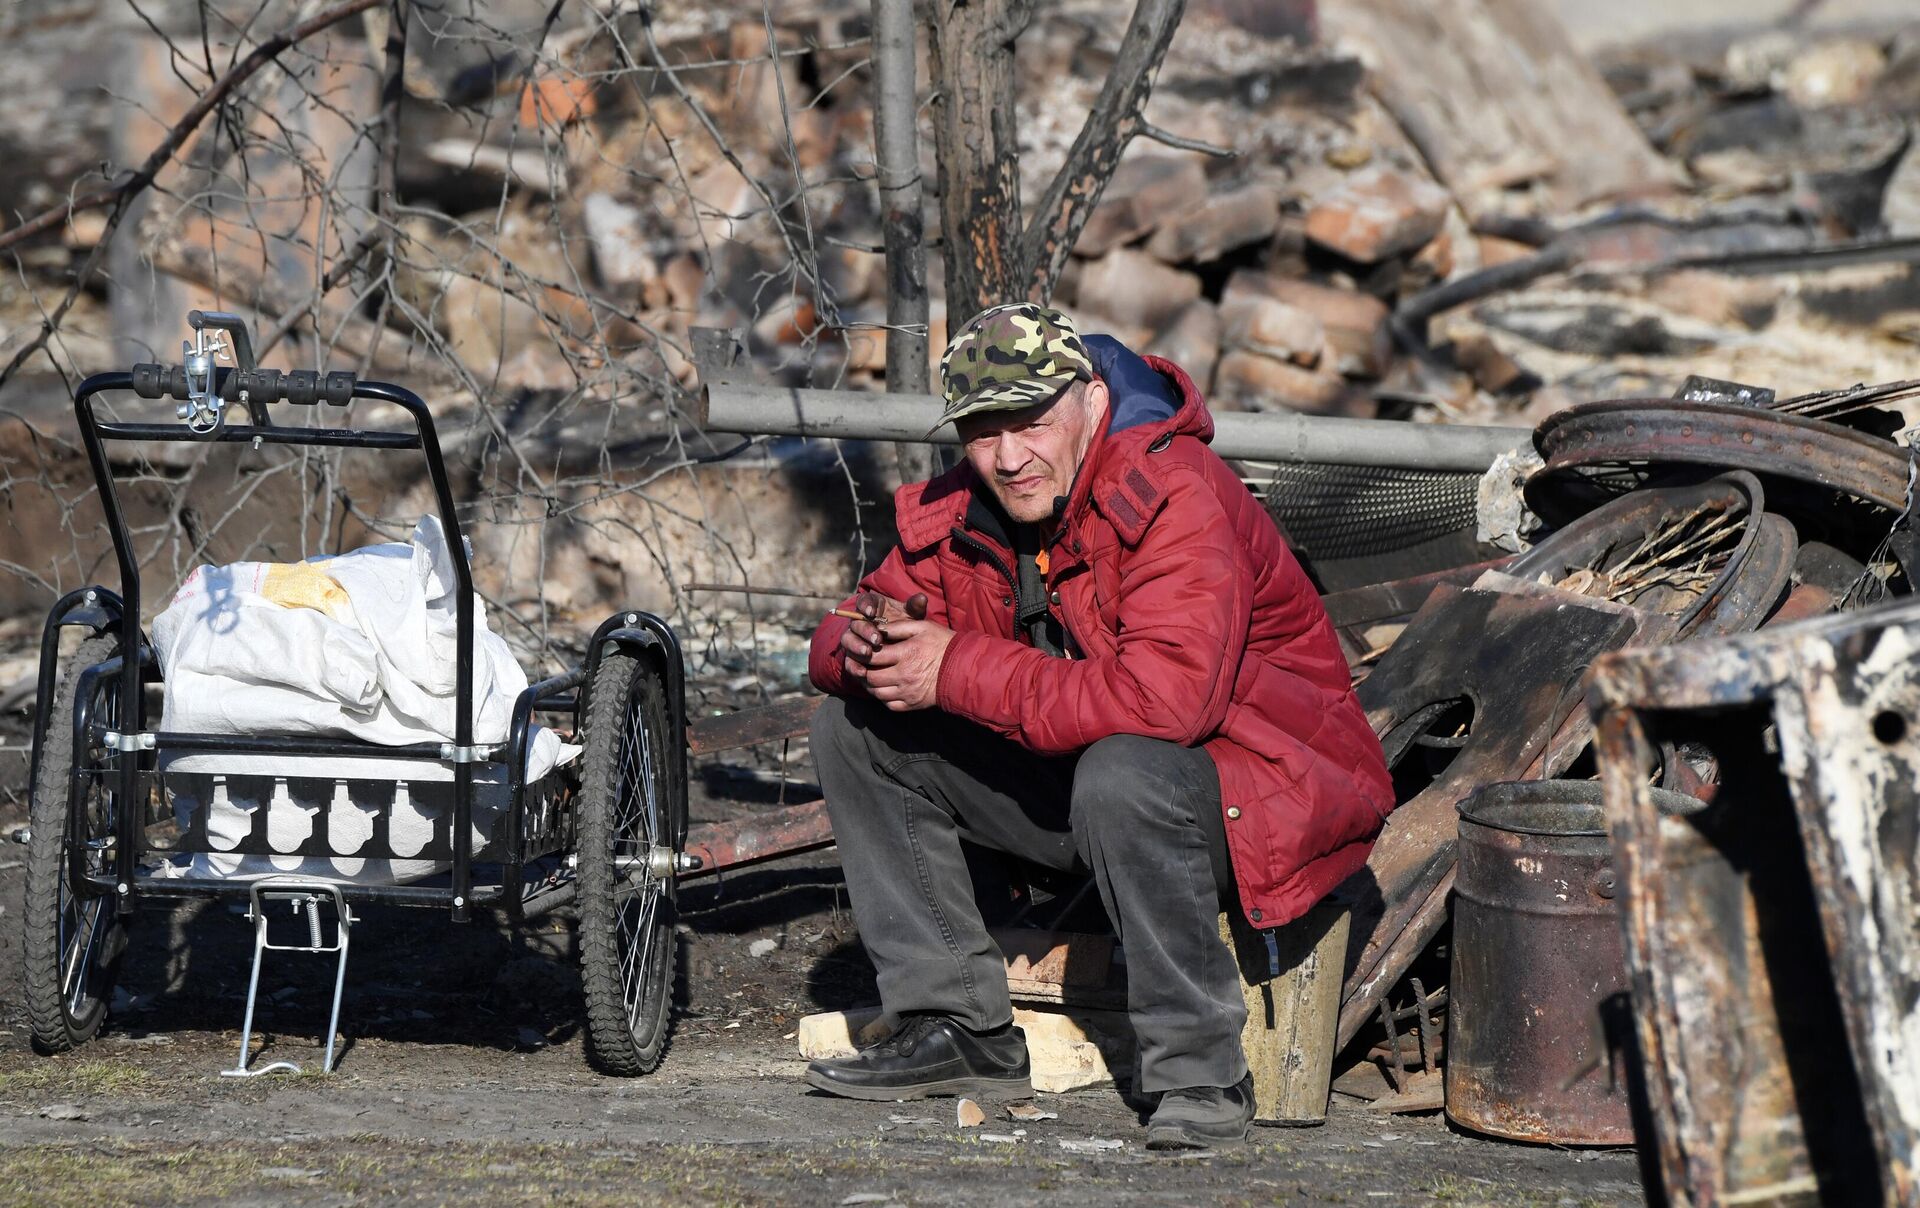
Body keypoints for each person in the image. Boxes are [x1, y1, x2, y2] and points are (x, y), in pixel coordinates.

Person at [803, 302, 1393, 1149]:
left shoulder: (1173, 491)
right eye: (982, 433)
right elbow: (841, 623)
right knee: (855, 732)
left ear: (1089, 402)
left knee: (1126, 769)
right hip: (1092, 786)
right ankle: (959, 1027)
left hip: (1263, 791)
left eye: (1033, 424)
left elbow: (1168, 703)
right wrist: (863, 647)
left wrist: (953, 668)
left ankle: (1201, 1075)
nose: (1009, 458)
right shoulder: (968, 504)